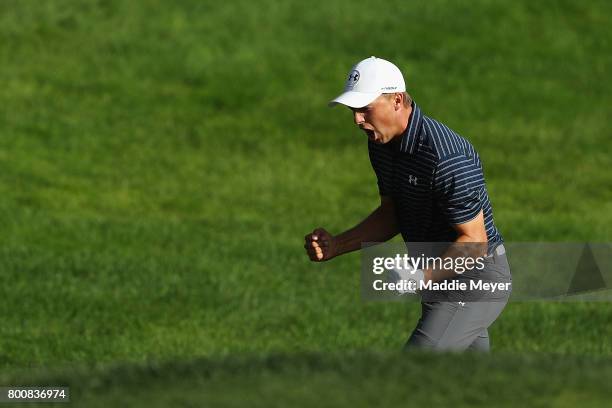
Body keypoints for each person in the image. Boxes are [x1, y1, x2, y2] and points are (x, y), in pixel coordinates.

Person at [303, 56, 511, 351]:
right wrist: (337, 245)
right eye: (353, 110)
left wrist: (421, 276)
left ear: (397, 101)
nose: (357, 120)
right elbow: (392, 215)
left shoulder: (446, 157)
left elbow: (475, 242)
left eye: (365, 109)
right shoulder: (382, 145)